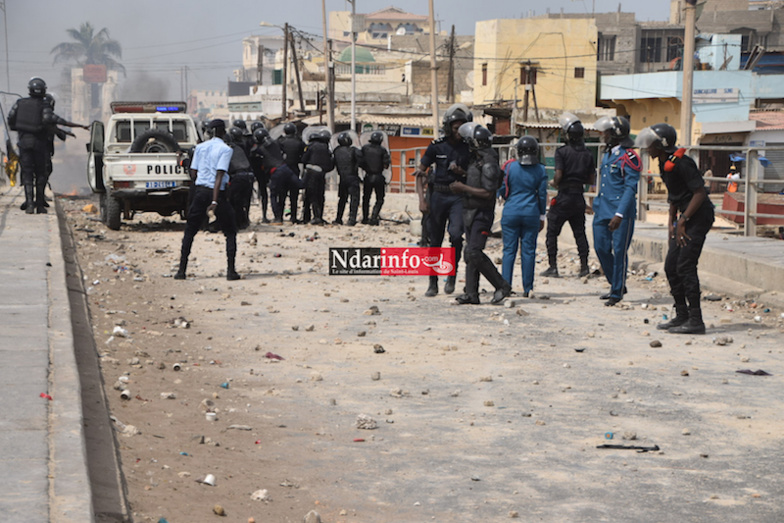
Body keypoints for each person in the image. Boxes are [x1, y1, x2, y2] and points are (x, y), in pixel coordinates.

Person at [636, 123, 714, 334]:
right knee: (671, 266)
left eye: (650, 144)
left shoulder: (682, 164)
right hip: (683, 218)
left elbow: (699, 193)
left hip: (698, 217)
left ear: (661, 145)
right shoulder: (665, 164)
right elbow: (674, 195)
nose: (647, 147)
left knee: (686, 265)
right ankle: (682, 315)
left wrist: (683, 221)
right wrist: (672, 222)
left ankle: (696, 320)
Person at [413, 103, 472, 297]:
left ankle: (452, 274)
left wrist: (461, 172)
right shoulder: (436, 146)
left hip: (457, 196)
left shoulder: (468, 148)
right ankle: (432, 282)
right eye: (456, 128)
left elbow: (474, 174)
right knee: (434, 240)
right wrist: (422, 200)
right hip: (437, 196)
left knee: (456, 236)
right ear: (448, 127)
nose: (459, 132)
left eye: (463, 128)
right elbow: (420, 172)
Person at [449, 122, 510, 305]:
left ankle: (502, 285)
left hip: (481, 213)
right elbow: (477, 178)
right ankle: (471, 293)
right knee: (469, 252)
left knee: (474, 252)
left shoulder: (489, 163)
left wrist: (462, 187)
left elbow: (488, 192)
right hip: (470, 211)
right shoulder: (478, 160)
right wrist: (463, 173)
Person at [8, 77, 87, 214]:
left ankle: (29, 204)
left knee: (27, 174)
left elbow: (11, 119)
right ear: (43, 91)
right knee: (41, 174)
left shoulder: (20, 103)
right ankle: (39, 205)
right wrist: (77, 126)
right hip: (39, 144)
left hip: (24, 144)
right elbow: (51, 120)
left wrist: (21, 130)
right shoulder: (44, 106)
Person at [174, 119, 240, 281]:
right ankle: (231, 271)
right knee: (230, 231)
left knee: (190, 231)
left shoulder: (200, 148)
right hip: (217, 193)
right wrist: (215, 201)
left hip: (200, 192)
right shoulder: (225, 149)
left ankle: (181, 271)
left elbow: (194, 173)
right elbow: (219, 175)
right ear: (223, 132)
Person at [592, 115, 641, 306]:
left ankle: (617, 291)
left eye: (606, 132)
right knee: (600, 248)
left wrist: (620, 214)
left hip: (620, 212)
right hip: (602, 209)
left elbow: (630, 188)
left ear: (616, 134)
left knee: (619, 251)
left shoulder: (629, 157)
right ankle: (616, 283)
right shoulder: (608, 154)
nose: (603, 136)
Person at [541, 112, 595, 278]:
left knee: (552, 232)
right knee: (579, 232)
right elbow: (591, 178)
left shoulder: (562, 152)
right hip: (579, 197)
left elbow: (558, 175)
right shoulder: (588, 154)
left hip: (563, 196)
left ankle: (553, 267)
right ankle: (584, 266)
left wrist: (555, 183)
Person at [499, 136, 548, 297]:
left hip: (511, 212)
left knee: (508, 251)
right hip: (531, 213)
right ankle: (528, 288)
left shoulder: (510, 167)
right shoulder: (541, 170)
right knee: (528, 252)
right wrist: (542, 216)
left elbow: (502, 189)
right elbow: (542, 195)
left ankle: (506, 287)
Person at [254, 127, 303, 225]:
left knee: (274, 195)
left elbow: (254, 154)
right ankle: (294, 217)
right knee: (299, 187)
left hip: (276, 172)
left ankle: (278, 218)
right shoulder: (277, 143)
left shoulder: (260, 148)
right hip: (286, 169)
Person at [301, 128, 333, 225]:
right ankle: (319, 216)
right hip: (321, 174)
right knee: (320, 195)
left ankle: (309, 217)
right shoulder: (325, 147)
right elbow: (330, 163)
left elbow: (303, 159)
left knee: (310, 195)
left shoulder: (310, 146)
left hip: (311, 173)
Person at [225, 126, 254, 230]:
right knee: (241, 201)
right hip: (249, 176)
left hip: (238, 176)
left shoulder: (227, 150)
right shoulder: (240, 147)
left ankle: (236, 223)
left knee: (233, 200)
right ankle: (243, 222)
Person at [360, 131, 391, 225]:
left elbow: (360, 161)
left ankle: (365, 218)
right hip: (378, 177)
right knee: (380, 199)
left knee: (366, 198)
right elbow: (386, 165)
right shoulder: (382, 150)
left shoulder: (365, 148)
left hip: (368, 176)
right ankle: (374, 217)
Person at [332, 132, 362, 225]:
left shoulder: (336, 151)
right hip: (352, 177)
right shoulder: (354, 150)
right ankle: (352, 219)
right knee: (354, 199)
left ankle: (338, 218)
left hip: (342, 178)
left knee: (342, 199)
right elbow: (361, 161)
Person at [278, 122, 306, 223]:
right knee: (294, 195)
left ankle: (279, 216)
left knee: (282, 194)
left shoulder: (280, 141)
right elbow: (304, 156)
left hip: (283, 170)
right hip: (294, 169)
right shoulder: (299, 141)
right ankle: (293, 217)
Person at [248, 121, 269, 223]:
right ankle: (264, 215)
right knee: (263, 192)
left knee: (249, 193)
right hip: (261, 170)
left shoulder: (249, 141)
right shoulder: (266, 143)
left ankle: (247, 217)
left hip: (252, 169)